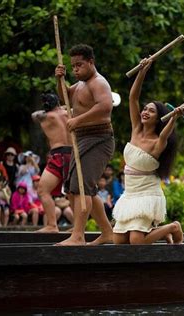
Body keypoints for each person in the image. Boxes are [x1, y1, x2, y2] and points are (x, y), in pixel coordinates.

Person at [112, 58, 184, 245]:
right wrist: (143, 70)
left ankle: (172, 227)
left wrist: (174, 118)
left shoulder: (157, 143)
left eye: (151, 111)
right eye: (145, 109)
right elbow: (132, 97)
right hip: (130, 193)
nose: (144, 112)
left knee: (136, 241)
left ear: (159, 118)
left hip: (147, 193)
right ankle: (158, 232)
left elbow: (165, 136)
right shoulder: (136, 129)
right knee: (118, 240)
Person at [55, 44, 114, 245]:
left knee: (82, 187)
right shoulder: (80, 85)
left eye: (80, 65)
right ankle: (107, 232)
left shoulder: (99, 83)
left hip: (99, 138)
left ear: (91, 62)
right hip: (82, 139)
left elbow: (105, 107)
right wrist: (59, 79)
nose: (76, 69)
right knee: (76, 187)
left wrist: (78, 121)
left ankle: (78, 236)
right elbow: (64, 97)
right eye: (73, 66)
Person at [31, 93, 73, 233]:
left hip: (58, 154)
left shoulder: (45, 116)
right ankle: (78, 227)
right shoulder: (70, 113)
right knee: (73, 193)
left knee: (43, 190)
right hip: (73, 155)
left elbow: (33, 115)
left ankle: (52, 225)